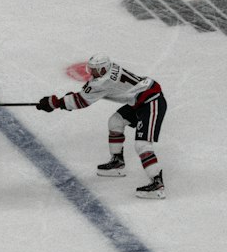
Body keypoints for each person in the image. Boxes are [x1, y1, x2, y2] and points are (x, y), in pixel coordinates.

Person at [36, 54, 167, 199]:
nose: (92, 72)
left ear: (104, 69)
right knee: (115, 122)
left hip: (151, 101)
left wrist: (55, 103)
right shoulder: (107, 73)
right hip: (139, 100)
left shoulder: (103, 81)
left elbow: (81, 101)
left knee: (142, 145)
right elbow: (85, 94)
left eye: (95, 70)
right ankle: (117, 162)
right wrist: (65, 100)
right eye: (91, 68)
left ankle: (157, 184)